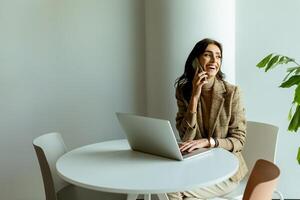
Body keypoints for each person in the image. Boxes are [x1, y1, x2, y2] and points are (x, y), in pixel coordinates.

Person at [168, 38, 248, 200]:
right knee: (164, 182)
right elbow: (186, 137)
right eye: (208, 55)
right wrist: (195, 97)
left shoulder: (232, 93)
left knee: (172, 191)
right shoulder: (183, 91)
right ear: (196, 60)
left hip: (226, 171)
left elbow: (239, 140)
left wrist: (208, 142)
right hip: (197, 167)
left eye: (218, 56)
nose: (214, 61)